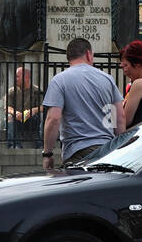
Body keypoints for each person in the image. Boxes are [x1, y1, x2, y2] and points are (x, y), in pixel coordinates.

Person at [41, 38, 123, 168]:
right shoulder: (107, 79)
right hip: (107, 150)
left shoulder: (59, 80)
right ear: (89, 54)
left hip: (77, 152)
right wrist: (120, 149)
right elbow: (119, 118)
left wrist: (47, 154)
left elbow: (53, 119)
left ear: (69, 57)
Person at [5, 67, 45, 148]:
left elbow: (43, 106)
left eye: (17, 76)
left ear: (26, 77)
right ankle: (14, 145)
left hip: (32, 119)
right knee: (9, 117)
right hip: (17, 119)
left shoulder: (36, 90)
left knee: (43, 116)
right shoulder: (12, 91)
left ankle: (41, 144)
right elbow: (7, 107)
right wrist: (15, 113)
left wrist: (33, 111)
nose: (15, 79)